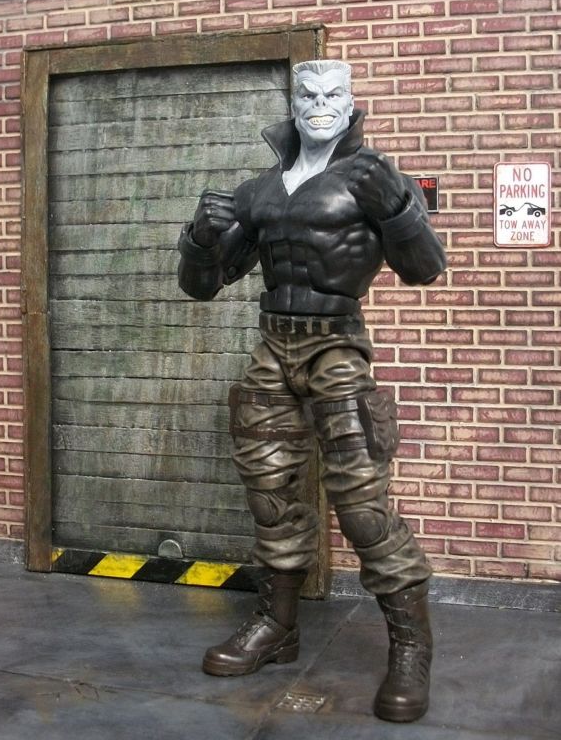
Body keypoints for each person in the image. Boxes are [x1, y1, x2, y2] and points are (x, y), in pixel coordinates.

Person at [177, 59, 446, 723]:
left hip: (336, 349)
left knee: (361, 506)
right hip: (272, 349)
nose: (320, 102)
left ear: (350, 103)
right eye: (307, 92)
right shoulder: (260, 190)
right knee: (270, 496)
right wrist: (199, 239)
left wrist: (399, 210)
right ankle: (277, 627)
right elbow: (202, 286)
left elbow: (424, 269)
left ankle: (411, 648)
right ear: (291, 102)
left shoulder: (371, 177)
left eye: (333, 93)